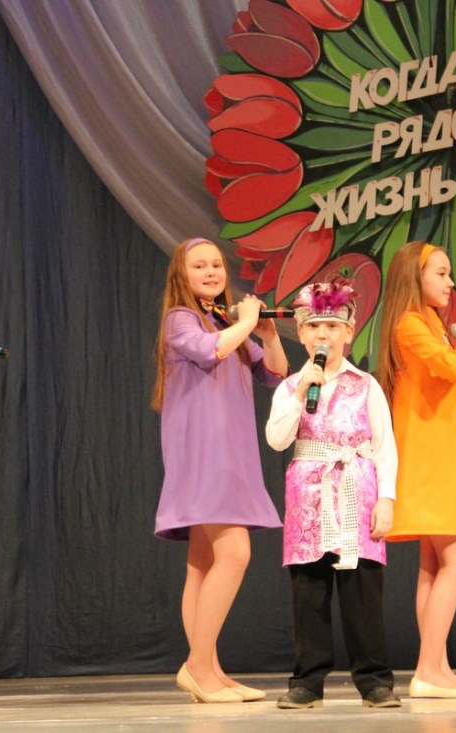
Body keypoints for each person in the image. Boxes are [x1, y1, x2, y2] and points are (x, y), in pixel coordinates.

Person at [152, 237, 288, 704]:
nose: (211, 272)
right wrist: (246, 323)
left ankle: (208, 668)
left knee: (203, 562)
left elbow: (275, 374)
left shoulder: (224, 322)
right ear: (181, 274)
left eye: (216, 265)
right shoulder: (181, 318)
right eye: (199, 266)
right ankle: (197, 667)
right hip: (203, 452)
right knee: (234, 552)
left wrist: (267, 334)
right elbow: (208, 350)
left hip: (231, 451)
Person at [265, 279, 400, 710]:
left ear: (348, 332)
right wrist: (300, 392)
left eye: (332, 326)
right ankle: (308, 682)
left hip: (356, 490)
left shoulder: (367, 385)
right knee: (309, 593)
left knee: (362, 593)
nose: (323, 334)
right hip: (309, 496)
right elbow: (277, 440)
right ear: (302, 333)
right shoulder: (291, 387)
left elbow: (384, 445)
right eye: (314, 326)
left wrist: (387, 497)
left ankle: (374, 680)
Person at [375, 241, 456, 698]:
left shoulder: (431, 322)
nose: (451, 282)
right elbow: (450, 366)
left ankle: (436, 667)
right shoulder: (409, 323)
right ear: (417, 276)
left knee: (433, 564)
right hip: (428, 455)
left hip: (441, 450)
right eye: (442, 273)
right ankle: (429, 669)